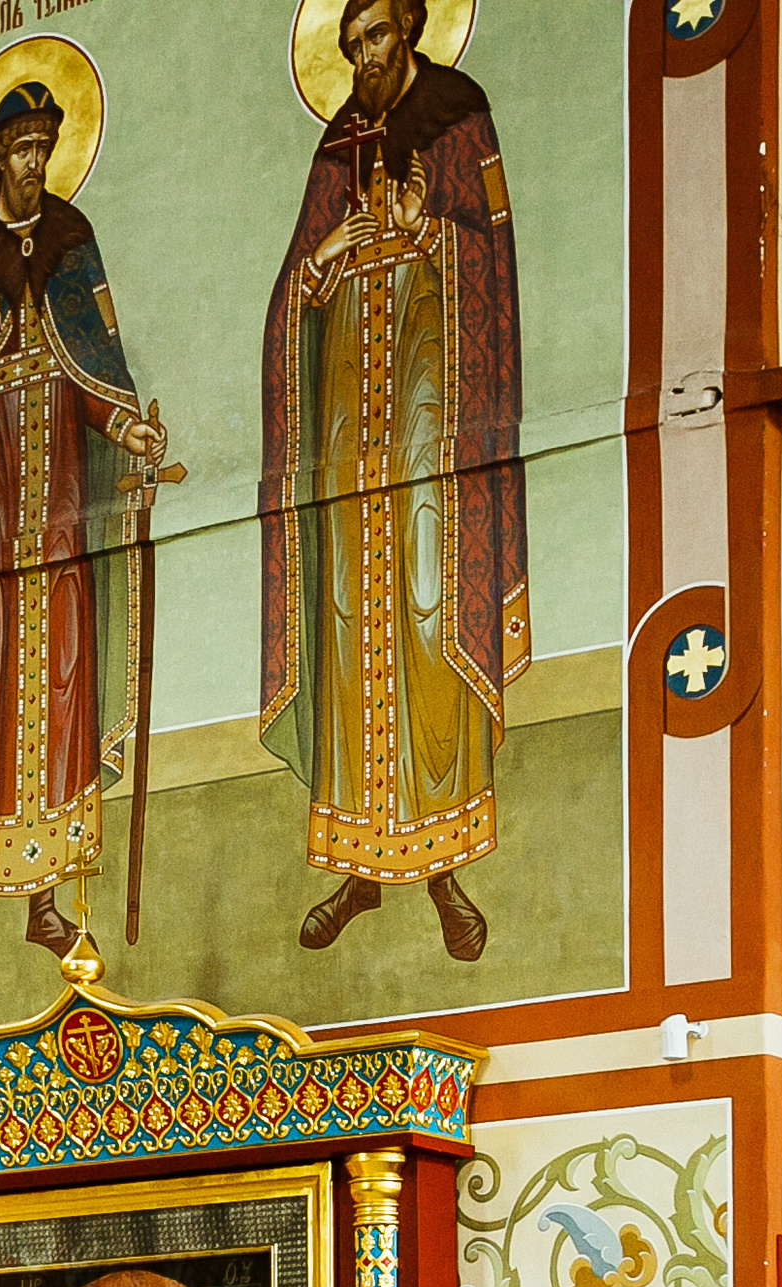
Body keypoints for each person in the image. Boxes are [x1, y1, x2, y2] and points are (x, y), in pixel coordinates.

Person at [259, 0, 526, 963]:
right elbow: (299, 288)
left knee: (424, 620)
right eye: (353, 43)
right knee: (346, 631)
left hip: (431, 433)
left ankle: (445, 875)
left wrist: (428, 231)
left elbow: (490, 258)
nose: (367, 57)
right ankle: (360, 871)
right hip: (346, 436)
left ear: (410, 29)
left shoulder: (459, 113)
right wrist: (334, 255)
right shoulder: (339, 145)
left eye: (379, 36)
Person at [0, 75, 165, 1015]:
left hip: (60, 525)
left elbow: (97, 369)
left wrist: (127, 429)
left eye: (47, 149)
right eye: (22, 150)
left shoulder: (70, 247)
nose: (36, 165)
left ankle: (45, 902)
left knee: (56, 702)